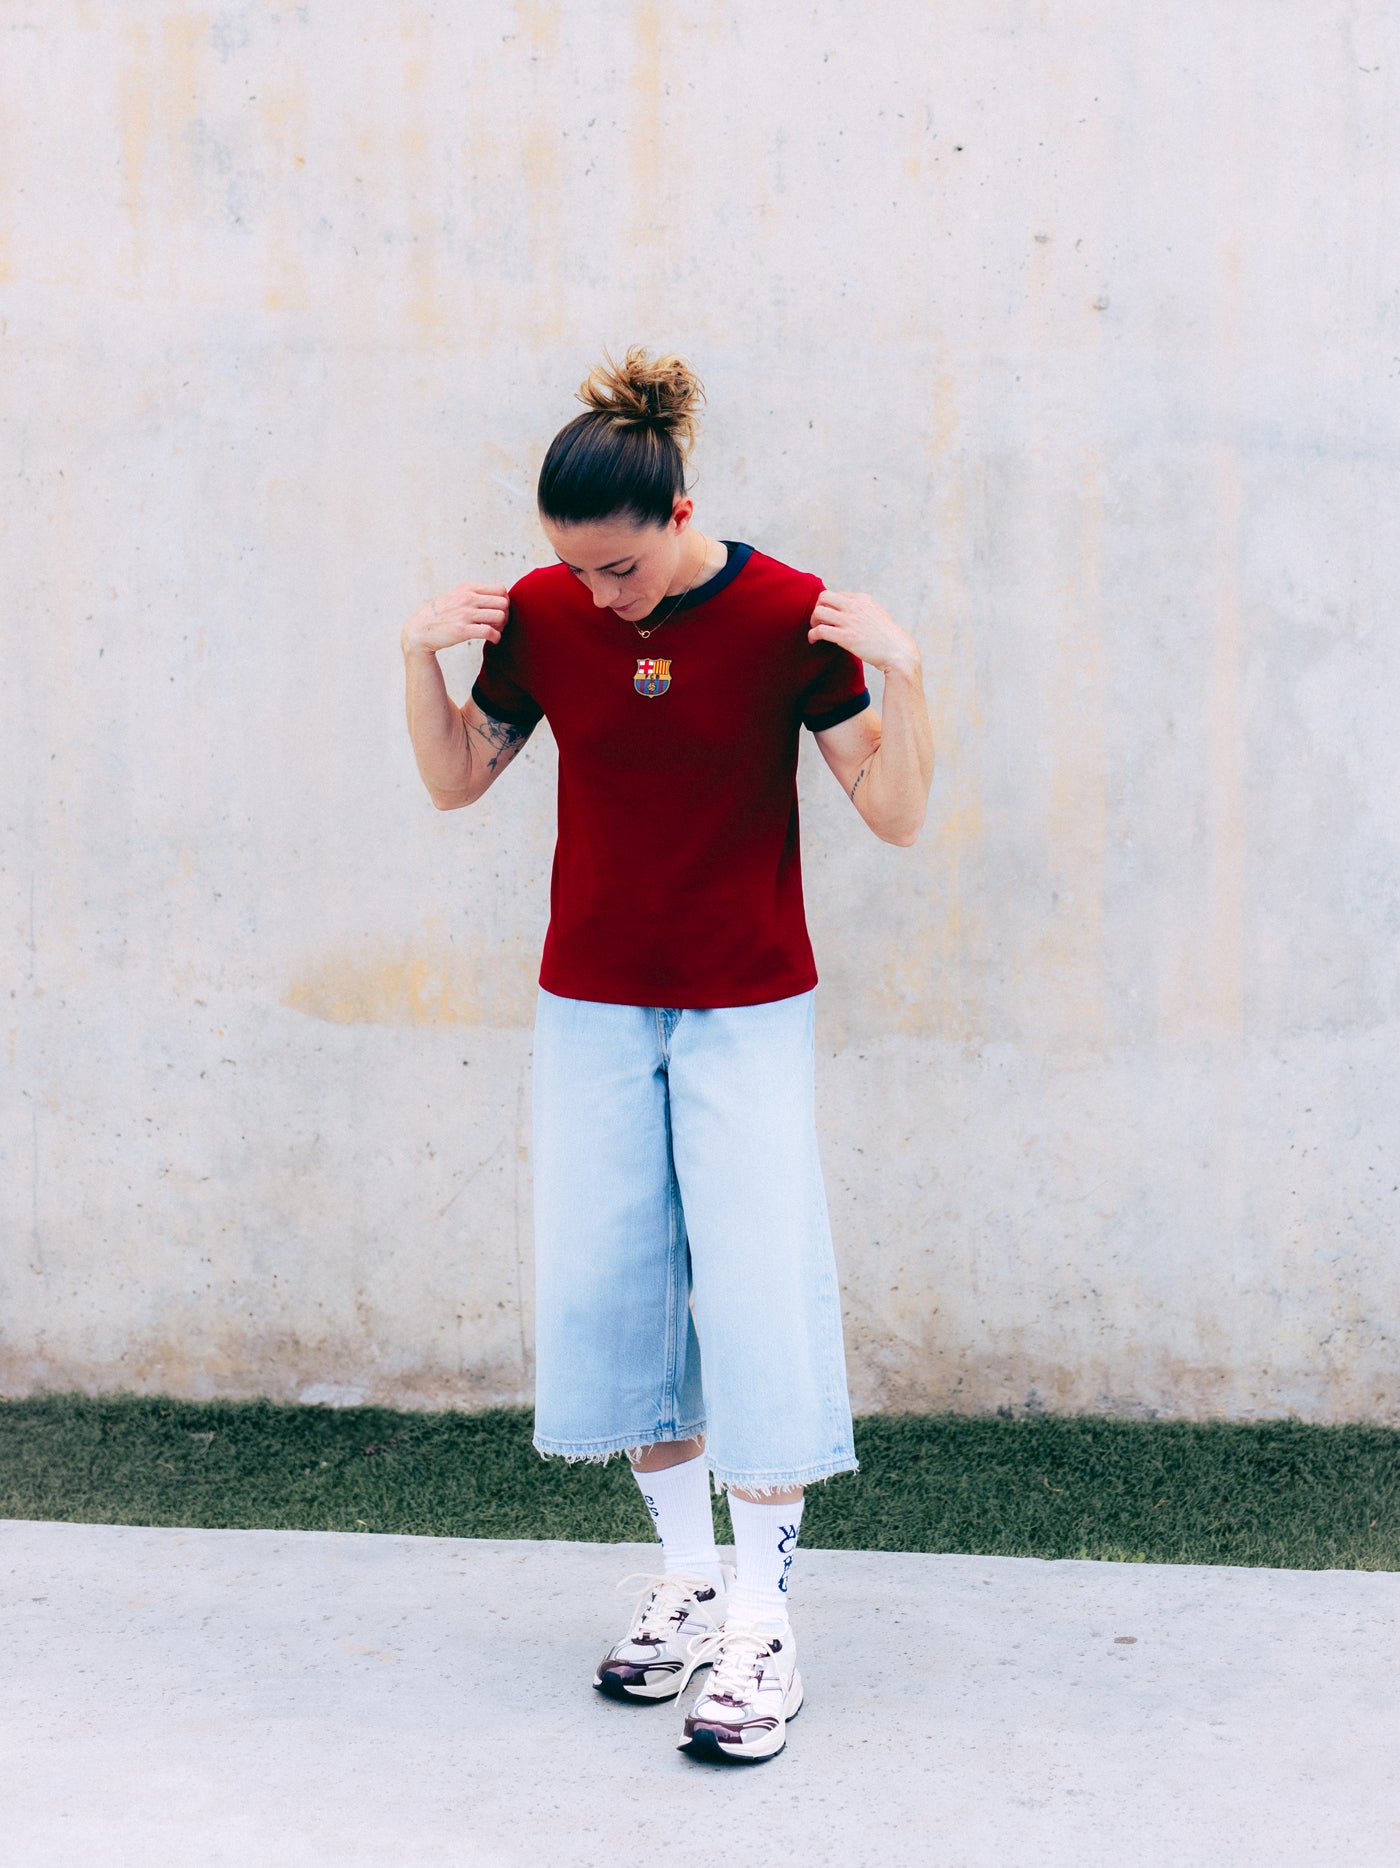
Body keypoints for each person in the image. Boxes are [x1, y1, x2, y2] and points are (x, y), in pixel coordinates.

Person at [401, 347, 933, 1764]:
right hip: (589, 998)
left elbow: (892, 810)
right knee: (615, 1295)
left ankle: (765, 1621)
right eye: (573, 570)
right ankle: (689, 1580)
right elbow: (461, 777)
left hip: (745, 1000)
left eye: (621, 571)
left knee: (756, 1290)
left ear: (682, 507)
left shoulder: (782, 615)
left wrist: (909, 676)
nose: (596, 596)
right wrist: (420, 659)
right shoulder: (546, 614)